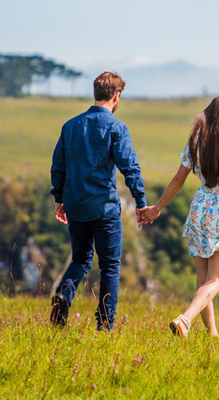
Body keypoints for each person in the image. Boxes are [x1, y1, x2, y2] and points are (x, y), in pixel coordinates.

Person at [138, 94, 219, 338]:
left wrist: (156, 208)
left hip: (200, 210)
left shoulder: (197, 141)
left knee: (203, 282)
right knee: (216, 282)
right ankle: (185, 319)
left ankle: (212, 335)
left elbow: (178, 180)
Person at [49, 71, 147, 331]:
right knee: (110, 267)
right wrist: (140, 201)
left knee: (81, 258)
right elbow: (130, 168)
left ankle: (64, 294)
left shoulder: (70, 126)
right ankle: (105, 325)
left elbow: (58, 167)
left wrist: (60, 199)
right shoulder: (117, 128)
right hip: (104, 207)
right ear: (116, 97)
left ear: (95, 93)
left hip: (76, 205)